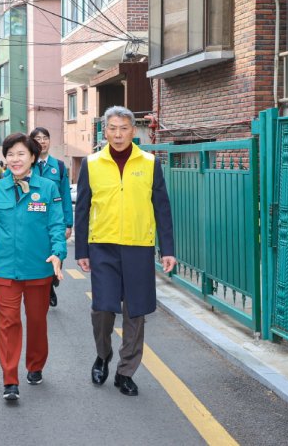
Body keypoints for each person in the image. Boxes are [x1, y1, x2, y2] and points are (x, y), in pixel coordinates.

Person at [74, 106, 176, 397]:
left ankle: (125, 371)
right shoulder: (92, 164)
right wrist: (82, 249)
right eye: (112, 128)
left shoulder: (150, 162)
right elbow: (82, 210)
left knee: (136, 312)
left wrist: (167, 248)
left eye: (124, 128)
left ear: (134, 131)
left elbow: (162, 208)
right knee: (103, 308)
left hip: (139, 247)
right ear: (104, 131)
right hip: (103, 246)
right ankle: (103, 354)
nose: (118, 134)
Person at [0, 133, 66, 402]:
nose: (15, 159)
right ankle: (10, 379)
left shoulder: (48, 188)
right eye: (10, 154)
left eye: (21, 154)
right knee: (8, 322)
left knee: (37, 322)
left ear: (33, 158)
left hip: (39, 269)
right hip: (5, 269)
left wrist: (58, 253)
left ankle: (35, 365)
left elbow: (56, 226)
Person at [30, 127, 74, 308]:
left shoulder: (59, 166)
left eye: (45, 138)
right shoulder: (27, 165)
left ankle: (52, 282)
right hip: (33, 221)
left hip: (55, 221)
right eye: (38, 138)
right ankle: (47, 289)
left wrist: (68, 223)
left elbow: (65, 195)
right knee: (39, 256)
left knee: (57, 256)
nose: (42, 141)